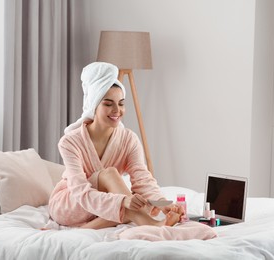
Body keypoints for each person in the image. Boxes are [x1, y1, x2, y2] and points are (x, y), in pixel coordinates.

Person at [48, 62, 183, 229]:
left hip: (105, 205)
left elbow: (142, 178)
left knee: (137, 202)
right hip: (72, 204)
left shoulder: (128, 139)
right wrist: (123, 200)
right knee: (112, 177)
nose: (117, 110)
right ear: (94, 106)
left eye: (121, 103)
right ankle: (154, 225)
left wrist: (162, 203)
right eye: (108, 103)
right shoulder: (70, 142)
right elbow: (81, 193)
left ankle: (87, 229)